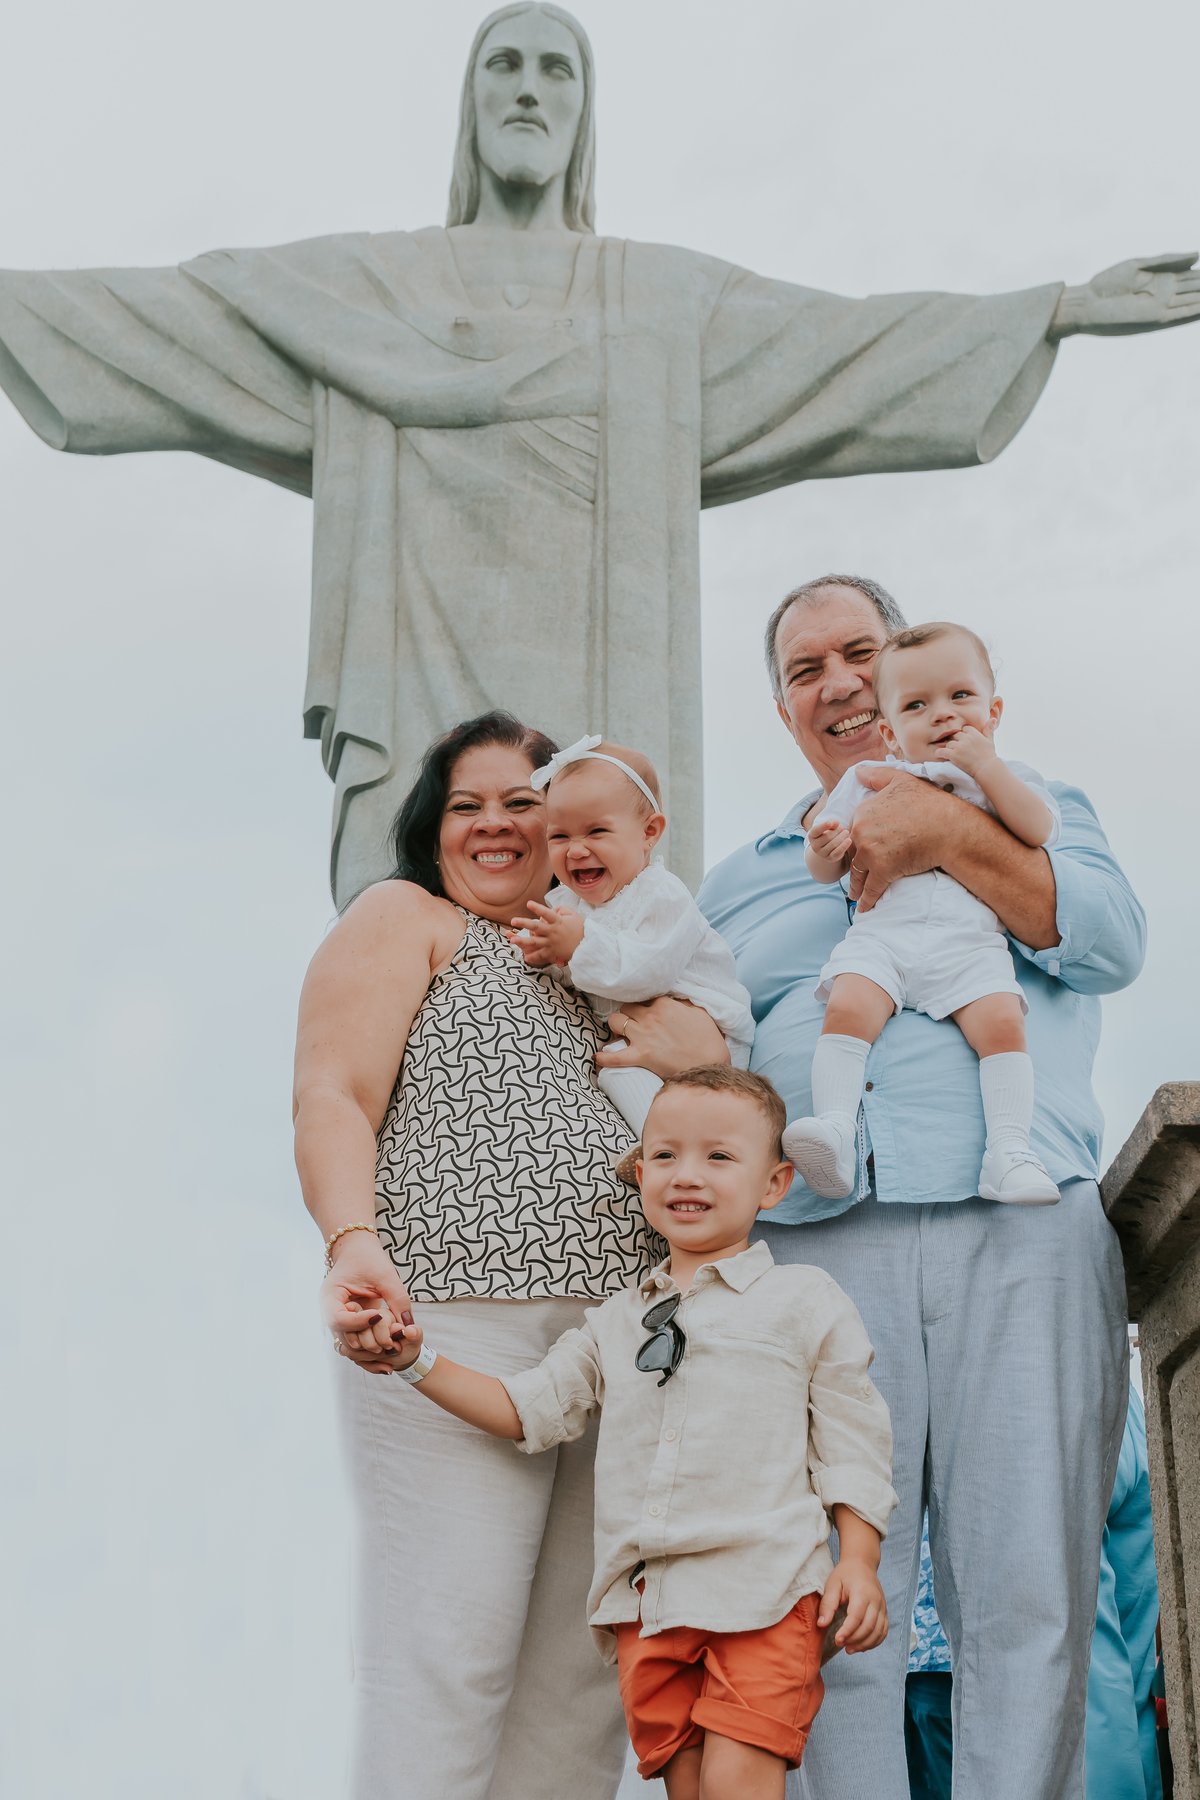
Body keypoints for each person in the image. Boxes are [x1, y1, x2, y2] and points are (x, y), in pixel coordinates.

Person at [4, 7, 1197, 905]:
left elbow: (845, 342)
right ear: (469, 106)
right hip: (414, 688)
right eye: (504, 66)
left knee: (618, 942)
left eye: (556, 68)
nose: (529, 87)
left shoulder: (657, 305)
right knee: (413, 934)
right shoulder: (368, 288)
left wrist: (1053, 311)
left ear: (585, 113)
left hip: (609, 687)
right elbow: (181, 319)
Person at [697, 574, 1142, 1800]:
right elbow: (697, 1043)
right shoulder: (746, 876)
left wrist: (947, 832)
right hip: (817, 1247)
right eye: (804, 670)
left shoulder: (1034, 803)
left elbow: (1111, 942)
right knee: (830, 1592)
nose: (836, 683)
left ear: (900, 671)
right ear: (783, 710)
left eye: (858, 653)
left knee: (1029, 1589)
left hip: (1023, 1225)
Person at [291, 707, 726, 1800]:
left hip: (629, 1349)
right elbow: (333, 1092)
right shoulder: (411, 917)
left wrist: (702, 1049)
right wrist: (351, 1243)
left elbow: (713, 1112)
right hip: (454, 1328)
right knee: (447, 1655)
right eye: (464, 805)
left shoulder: (622, 955)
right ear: (431, 828)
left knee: (580, 1686)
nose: (492, 824)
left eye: (521, 803)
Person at [385, 1065, 897, 1800]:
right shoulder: (614, 1322)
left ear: (774, 1184)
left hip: (767, 1590)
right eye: (665, 1155)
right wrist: (414, 1360)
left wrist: (860, 1559)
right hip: (648, 1607)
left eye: (718, 1156)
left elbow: (853, 1437)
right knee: (690, 1790)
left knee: (737, 1783)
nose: (687, 1174)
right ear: (641, 1173)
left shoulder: (804, 1299)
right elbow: (527, 1410)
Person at [785, 620, 1060, 1206]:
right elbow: (825, 869)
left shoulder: (1008, 781)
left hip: (969, 945)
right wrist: (825, 848)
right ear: (889, 731)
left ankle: (1009, 1151)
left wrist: (986, 768)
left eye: (961, 696)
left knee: (1003, 1024)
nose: (943, 714)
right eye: (917, 705)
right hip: (885, 935)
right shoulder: (868, 781)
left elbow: (1037, 830)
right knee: (848, 1005)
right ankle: (836, 1128)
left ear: (994, 711)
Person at [510, 732, 753, 1134]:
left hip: (708, 1030)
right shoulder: (565, 901)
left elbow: (646, 974)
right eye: (559, 836)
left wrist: (577, 945)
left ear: (649, 832)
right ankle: (662, 1147)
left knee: (626, 1072)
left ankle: (663, 1147)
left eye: (596, 832)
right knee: (618, 1072)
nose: (575, 850)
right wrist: (544, 955)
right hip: (639, 1036)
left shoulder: (662, 894)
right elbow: (576, 975)